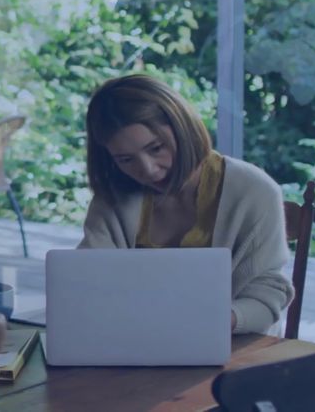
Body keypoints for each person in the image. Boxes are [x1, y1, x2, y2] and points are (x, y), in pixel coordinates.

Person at [79, 74, 293, 335]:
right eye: (126, 159)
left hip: (234, 346)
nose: (148, 170)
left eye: (156, 148)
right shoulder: (114, 196)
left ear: (182, 127)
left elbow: (266, 295)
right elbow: (86, 280)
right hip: (138, 340)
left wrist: (222, 319)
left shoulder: (254, 190)